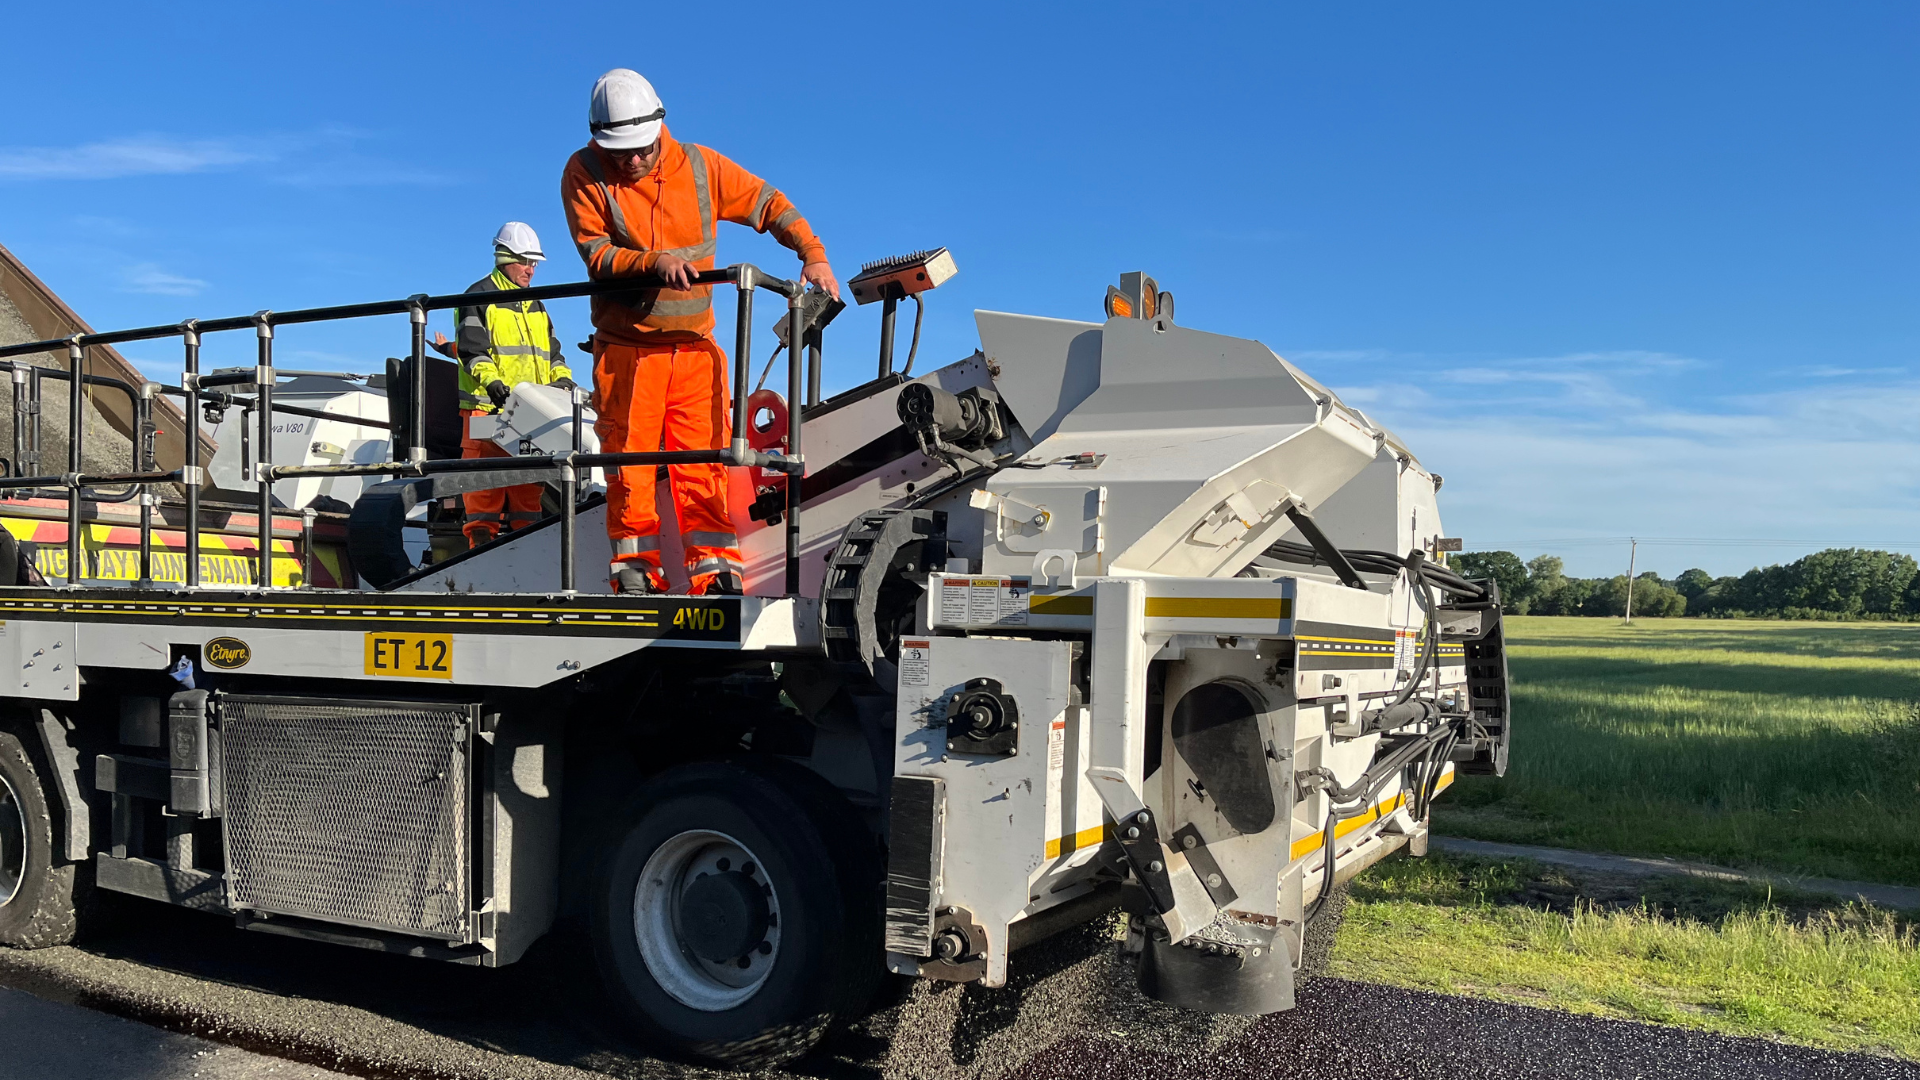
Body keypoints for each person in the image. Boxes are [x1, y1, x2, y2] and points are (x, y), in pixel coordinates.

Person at [562, 68, 839, 595]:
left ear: (660, 127)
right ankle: (636, 573)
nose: (633, 159)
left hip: (694, 352)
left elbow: (768, 203)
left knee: (705, 467)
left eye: (641, 148)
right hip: (627, 354)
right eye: (621, 151)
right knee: (629, 471)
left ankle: (714, 574)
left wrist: (813, 253)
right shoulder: (582, 172)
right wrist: (652, 262)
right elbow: (596, 253)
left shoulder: (700, 166)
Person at [449, 222, 577, 548]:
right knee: (483, 491)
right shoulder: (478, 297)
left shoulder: (537, 304)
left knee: (529, 492)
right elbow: (471, 350)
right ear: (505, 258)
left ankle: (527, 553)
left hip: (529, 413)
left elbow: (553, 353)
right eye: (526, 262)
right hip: (485, 409)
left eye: (535, 263)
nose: (532, 270)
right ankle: (479, 557)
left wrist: (562, 380)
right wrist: (493, 384)